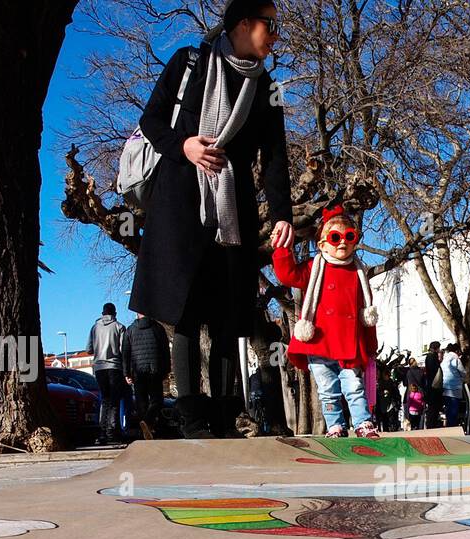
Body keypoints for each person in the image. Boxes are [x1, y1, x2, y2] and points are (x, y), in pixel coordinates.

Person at [128, 1, 293, 440]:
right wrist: (185, 147)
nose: (276, 34)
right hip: (179, 204)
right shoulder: (190, 61)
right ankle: (191, 418)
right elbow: (151, 119)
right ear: (243, 23)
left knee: (227, 316)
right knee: (184, 312)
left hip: (232, 210)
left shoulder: (266, 87)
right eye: (270, 25)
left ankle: (224, 416)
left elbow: (275, 154)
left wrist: (282, 214)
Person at [272, 204, 380, 438]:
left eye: (348, 236)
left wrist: (370, 345)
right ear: (321, 244)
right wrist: (282, 248)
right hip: (319, 343)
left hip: (349, 345)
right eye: (334, 237)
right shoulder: (314, 267)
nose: (342, 242)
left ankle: (363, 423)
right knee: (327, 390)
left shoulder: (359, 273)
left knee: (354, 387)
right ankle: (335, 426)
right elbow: (287, 275)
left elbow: (366, 314)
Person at [122, 312, 171, 439]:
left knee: (141, 402)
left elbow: (125, 353)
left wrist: (126, 372)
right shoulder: (158, 328)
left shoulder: (130, 330)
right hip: (155, 370)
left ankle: (145, 429)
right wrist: (166, 369)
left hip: (138, 372)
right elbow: (165, 350)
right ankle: (149, 423)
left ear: (137, 314)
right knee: (157, 400)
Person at [88, 302, 127, 445]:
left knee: (104, 399)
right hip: (114, 366)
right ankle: (112, 432)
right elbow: (123, 349)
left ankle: (102, 432)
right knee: (114, 400)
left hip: (99, 367)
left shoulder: (94, 327)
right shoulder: (119, 327)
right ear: (114, 313)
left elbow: (89, 349)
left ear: (102, 313)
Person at [440, 343, 465, 427]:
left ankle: (449, 427)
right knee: (454, 410)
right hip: (455, 388)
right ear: (457, 351)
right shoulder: (455, 359)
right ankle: (453, 426)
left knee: (448, 409)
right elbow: (463, 372)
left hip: (445, 387)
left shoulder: (444, 359)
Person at [423, 341, 443, 430]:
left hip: (430, 387)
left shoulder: (428, 357)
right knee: (434, 408)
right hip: (434, 387)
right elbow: (435, 371)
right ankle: (432, 425)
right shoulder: (433, 357)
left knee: (432, 408)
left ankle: (431, 425)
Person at [404, 355, 427, 429]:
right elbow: (424, 383)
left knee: (409, 411)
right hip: (420, 393)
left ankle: (411, 428)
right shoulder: (421, 371)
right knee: (421, 413)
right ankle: (420, 428)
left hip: (410, 392)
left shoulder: (408, 372)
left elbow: (405, 383)